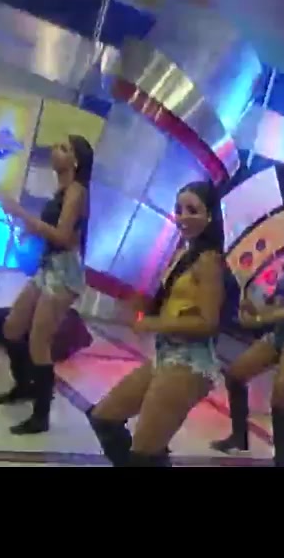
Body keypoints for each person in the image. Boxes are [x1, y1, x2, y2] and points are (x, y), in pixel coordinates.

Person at [85, 181, 227, 467]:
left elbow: (208, 322)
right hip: (166, 355)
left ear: (211, 216)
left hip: (190, 363)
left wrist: (156, 323)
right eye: (179, 210)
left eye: (193, 210)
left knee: (143, 454)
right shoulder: (185, 254)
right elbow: (172, 302)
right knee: (104, 417)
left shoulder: (209, 261)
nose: (183, 217)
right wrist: (141, 304)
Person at [0, 135, 93, 435]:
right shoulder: (63, 189)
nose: (54, 151)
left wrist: (22, 215)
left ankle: (41, 415)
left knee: (39, 341)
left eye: (63, 148)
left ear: (75, 161)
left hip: (64, 272)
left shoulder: (76, 191)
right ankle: (24, 385)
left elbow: (62, 237)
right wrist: (31, 230)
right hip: (50, 265)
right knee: (13, 326)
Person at [210, 218, 284, 466]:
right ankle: (239, 437)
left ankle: (282, 460)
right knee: (235, 375)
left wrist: (259, 319)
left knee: (279, 400)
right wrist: (253, 309)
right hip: (279, 332)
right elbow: (277, 306)